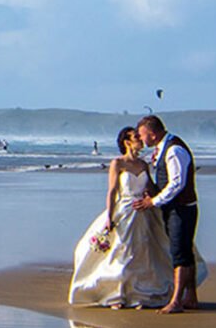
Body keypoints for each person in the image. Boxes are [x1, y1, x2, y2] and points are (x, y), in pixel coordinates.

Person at [68, 127, 174, 308]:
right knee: (122, 251)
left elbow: (151, 188)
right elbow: (112, 191)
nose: (140, 140)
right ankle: (117, 294)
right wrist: (109, 216)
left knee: (143, 253)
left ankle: (139, 294)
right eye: (136, 138)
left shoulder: (143, 164)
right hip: (124, 209)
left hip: (143, 211)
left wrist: (153, 197)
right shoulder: (117, 163)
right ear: (127, 142)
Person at [133, 115, 200, 314]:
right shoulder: (163, 149)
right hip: (174, 207)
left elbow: (177, 184)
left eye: (143, 136)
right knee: (184, 252)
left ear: (153, 134)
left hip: (181, 208)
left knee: (180, 253)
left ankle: (177, 300)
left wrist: (153, 201)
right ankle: (191, 297)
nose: (142, 140)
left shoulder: (174, 150)